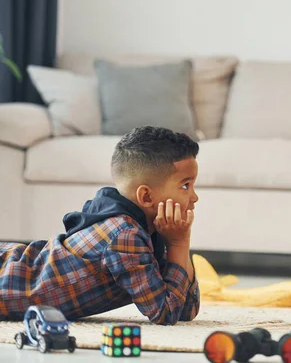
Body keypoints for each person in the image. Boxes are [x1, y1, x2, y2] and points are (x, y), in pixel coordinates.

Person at [0, 126, 200, 325]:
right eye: (185, 186)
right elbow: (166, 312)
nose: (194, 197)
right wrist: (178, 244)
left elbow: (186, 308)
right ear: (146, 196)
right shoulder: (125, 234)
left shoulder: (145, 230)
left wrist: (176, 243)